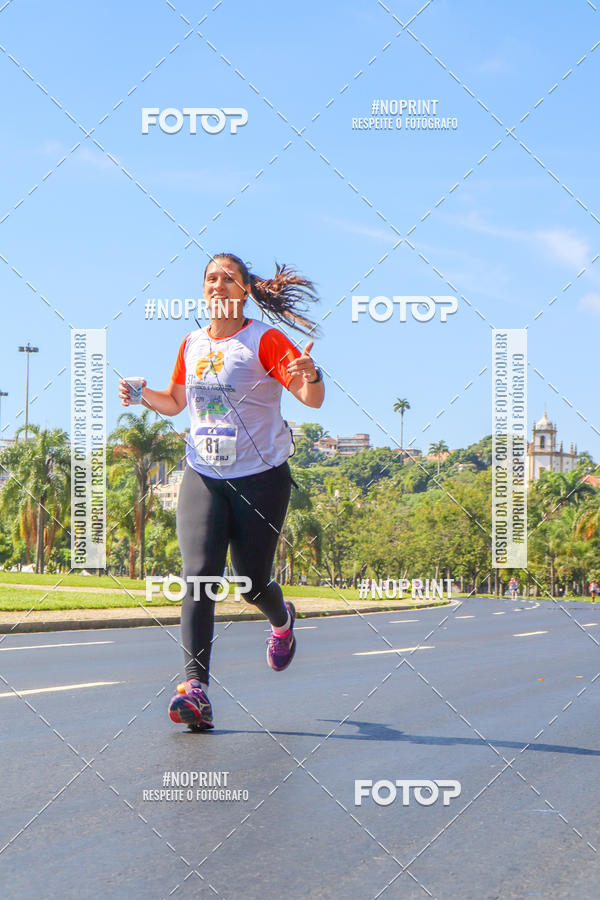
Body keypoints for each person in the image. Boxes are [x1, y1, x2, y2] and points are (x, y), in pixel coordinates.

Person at [119, 252, 324, 731]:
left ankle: (281, 619)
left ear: (246, 290)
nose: (219, 286)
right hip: (203, 475)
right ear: (203, 289)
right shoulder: (190, 343)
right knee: (198, 577)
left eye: (229, 279)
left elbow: (310, 399)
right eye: (211, 278)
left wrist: (310, 375)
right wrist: (141, 394)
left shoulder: (263, 340)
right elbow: (174, 403)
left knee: (251, 582)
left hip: (261, 478)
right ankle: (196, 690)